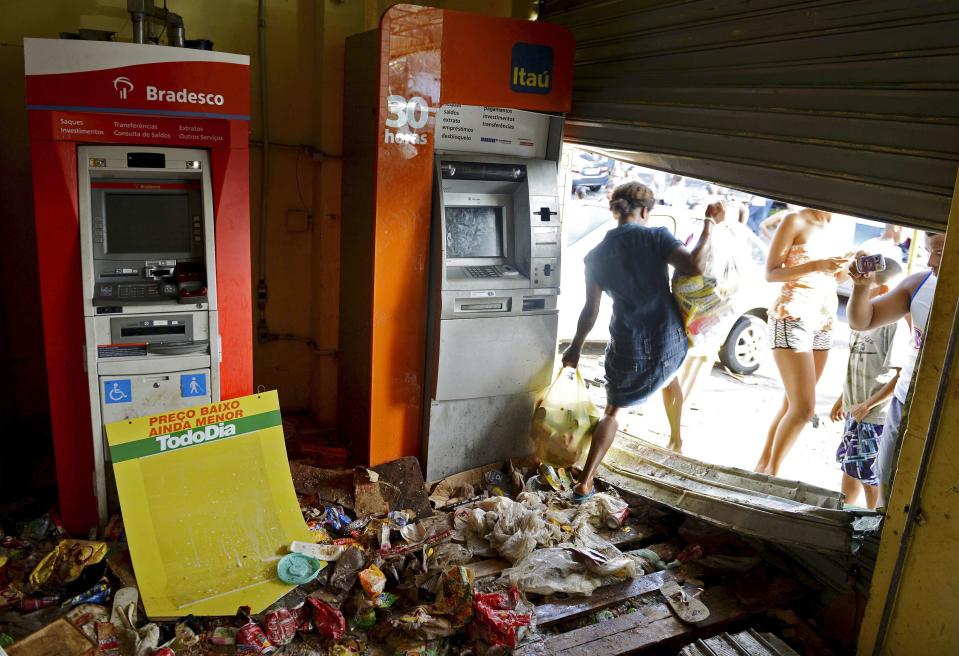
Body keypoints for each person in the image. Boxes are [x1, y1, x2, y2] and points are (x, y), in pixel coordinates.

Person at [561, 181, 724, 501]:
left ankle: (585, 480)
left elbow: (590, 311)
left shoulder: (595, 256)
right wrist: (709, 226)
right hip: (668, 337)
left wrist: (575, 347)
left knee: (612, 413)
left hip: (627, 344)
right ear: (646, 211)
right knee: (670, 373)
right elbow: (694, 265)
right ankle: (676, 439)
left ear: (615, 212)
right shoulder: (656, 236)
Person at [846, 231, 945, 506]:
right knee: (888, 480)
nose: (930, 261)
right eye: (927, 251)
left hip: (946, 411)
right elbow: (863, 320)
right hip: (905, 400)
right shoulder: (919, 283)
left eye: (939, 251)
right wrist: (861, 288)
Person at [755, 208, 849, 476]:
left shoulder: (841, 224)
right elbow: (771, 273)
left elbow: (838, 277)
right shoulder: (794, 219)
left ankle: (762, 469)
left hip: (824, 319)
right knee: (804, 410)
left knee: (791, 405)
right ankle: (770, 474)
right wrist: (817, 265)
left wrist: (847, 266)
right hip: (792, 314)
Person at [662, 209, 749, 452]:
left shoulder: (715, 238)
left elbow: (692, 269)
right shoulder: (723, 239)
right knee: (684, 369)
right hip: (703, 319)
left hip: (695, 319)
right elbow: (695, 268)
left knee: (677, 372)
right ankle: (676, 433)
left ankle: (676, 433)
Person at [829, 260, 909, 509]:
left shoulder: (894, 326)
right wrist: (844, 397)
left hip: (874, 416)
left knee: (869, 473)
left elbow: (901, 377)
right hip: (856, 409)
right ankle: (844, 513)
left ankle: (872, 523)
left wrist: (867, 405)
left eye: (863, 288)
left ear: (883, 292)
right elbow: (856, 365)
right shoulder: (859, 320)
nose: (856, 294)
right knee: (849, 465)